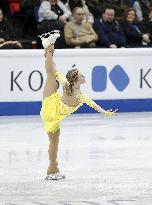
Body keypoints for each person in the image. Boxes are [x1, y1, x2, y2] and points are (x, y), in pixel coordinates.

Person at [40, 30, 117, 180]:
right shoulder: (67, 86)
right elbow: (55, 71)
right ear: (76, 80)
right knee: (51, 73)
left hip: (54, 118)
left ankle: (52, 170)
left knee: (54, 143)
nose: (84, 76)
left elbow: (94, 106)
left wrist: (105, 112)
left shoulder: (81, 95)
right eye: (82, 75)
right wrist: (50, 56)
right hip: (51, 106)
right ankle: (49, 47)